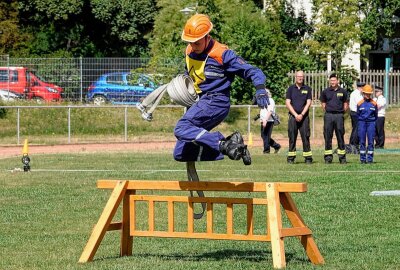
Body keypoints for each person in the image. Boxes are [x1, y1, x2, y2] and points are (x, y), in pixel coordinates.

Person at [173, 14, 269, 165]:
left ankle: (223, 144)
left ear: (207, 36)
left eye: (197, 42)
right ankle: (234, 146)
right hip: (200, 102)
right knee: (181, 153)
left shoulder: (223, 54)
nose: (193, 46)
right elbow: (191, 74)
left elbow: (252, 71)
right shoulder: (189, 51)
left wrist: (260, 88)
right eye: (190, 42)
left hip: (216, 101)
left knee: (181, 128)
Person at [320, 73, 349, 164]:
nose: (332, 82)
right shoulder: (325, 91)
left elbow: (345, 103)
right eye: (331, 80)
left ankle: (342, 158)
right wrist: (328, 110)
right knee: (328, 136)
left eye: (334, 80)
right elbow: (323, 103)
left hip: (339, 116)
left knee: (340, 136)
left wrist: (340, 112)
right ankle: (328, 158)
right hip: (328, 115)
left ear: (338, 81)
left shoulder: (343, 91)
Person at [285, 70, 313, 164]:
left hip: (304, 117)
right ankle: (291, 158)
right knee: (292, 137)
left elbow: (308, 103)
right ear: (295, 77)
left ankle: (308, 158)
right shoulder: (290, 89)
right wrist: (296, 115)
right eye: (298, 76)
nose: (300, 78)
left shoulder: (308, 89)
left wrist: (301, 114)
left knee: (306, 137)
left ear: (303, 77)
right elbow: (287, 103)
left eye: (302, 76)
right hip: (293, 117)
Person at [357, 85, 378, 164]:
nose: (367, 95)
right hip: (362, 123)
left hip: (371, 123)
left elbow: (376, 115)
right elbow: (357, 114)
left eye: (369, 94)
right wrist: (362, 121)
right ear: (363, 93)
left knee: (371, 141)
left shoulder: (374, 103)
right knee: (362, 141)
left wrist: (372, 121)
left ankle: (370, 159)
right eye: (366, 93)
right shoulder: (359, 103)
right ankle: (362, 159)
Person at [349, 81, 365, 148]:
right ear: (361, 87)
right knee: (357, 128)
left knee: (355, 128)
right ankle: (354, 143)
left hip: (354, 112)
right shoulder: (357, 94)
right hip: (356, 113)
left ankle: (353, 142)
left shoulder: (355, 93)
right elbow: (360, 103)